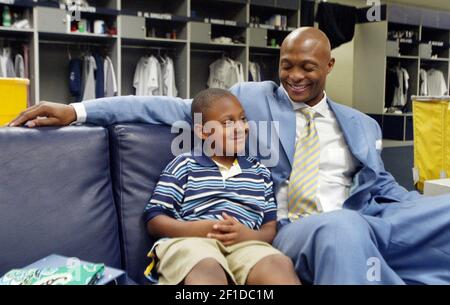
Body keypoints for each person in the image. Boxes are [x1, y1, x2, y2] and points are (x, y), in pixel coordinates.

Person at [8, 27, 450, 285]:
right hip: (296, 226)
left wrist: (418, 205)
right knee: (342, 226)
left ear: (329, 67)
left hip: (363, 213)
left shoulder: (360, 125)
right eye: (286, 64)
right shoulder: (249, 102)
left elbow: (383, 188)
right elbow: (170, 107)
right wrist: (77, 110)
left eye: (307, 68)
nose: (294, 76)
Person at [143, 88, 300, 285]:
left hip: (245, 245)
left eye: (242, 119)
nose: (240, 128)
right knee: (207, 268)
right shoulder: (184, 165)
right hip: (191, 243)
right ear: (202, 131)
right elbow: (154, 220)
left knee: (278, 265)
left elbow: (269, 227)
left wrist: (249, 235)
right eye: (227, 123)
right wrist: (197, 229)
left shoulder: (260, 172)